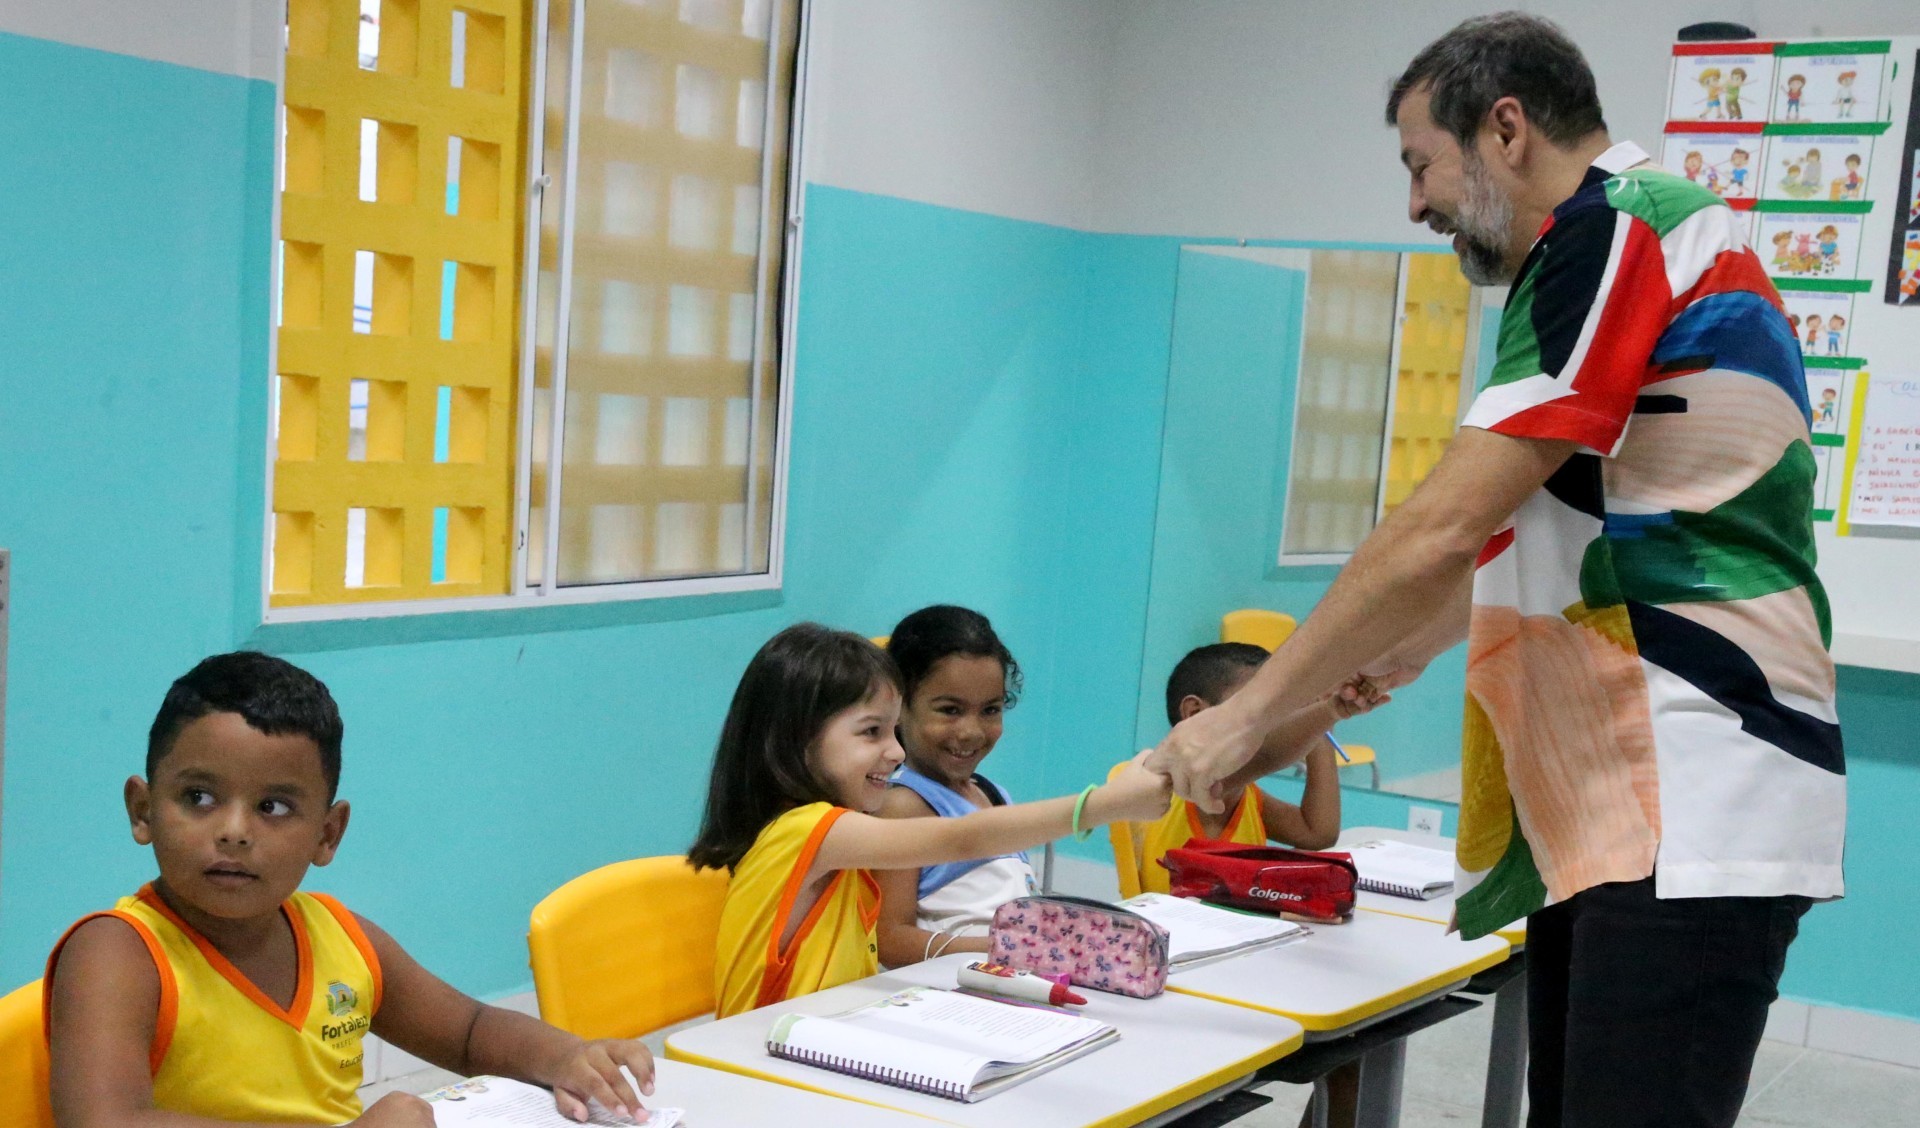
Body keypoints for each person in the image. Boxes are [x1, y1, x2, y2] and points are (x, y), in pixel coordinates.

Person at [1147, 14, 1842, 1128]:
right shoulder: (1636, 242)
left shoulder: (1614, 229)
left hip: (1692, 793)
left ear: (1505, 129)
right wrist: (1345, 686)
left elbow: (1440, 525)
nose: (1414, 204)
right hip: (1625, 805)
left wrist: (1244, 719)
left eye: (1422, 163)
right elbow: (1522, 540)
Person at [44, 652, 659, 1128]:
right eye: (198, 797)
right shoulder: (117, 955)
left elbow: (468, 1030)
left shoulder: (342, 938)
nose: (233, 832)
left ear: (327, 833)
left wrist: (566, 1058)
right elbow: (106, 1122)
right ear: (143, 810)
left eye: (274, 806)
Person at [689, 623, 1169, 1018]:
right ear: (800, 738)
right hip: (763, 1068)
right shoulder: (807, 830)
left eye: (892, 730)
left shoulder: (840, 828)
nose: (895, 751)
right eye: (872, 732)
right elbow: (963, 838)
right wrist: (1105, 804)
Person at [1127, 643, 1374, 894]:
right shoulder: (1161, 781)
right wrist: (1328, 710)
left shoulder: (1248, 798)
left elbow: (1317, 833)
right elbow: (1268, 754)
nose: (1275, 717)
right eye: (1255, 707)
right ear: (1194, 713)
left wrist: (1319, 727)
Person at [873, 606, 1035, 968]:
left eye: (990, 710)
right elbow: (890, 940)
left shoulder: (993, 794)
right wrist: (1004, 950)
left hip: (1004, 983)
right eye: (950, 710)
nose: (971, 731)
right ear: (898, 706)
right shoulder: (902, 808)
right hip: (947, 999)